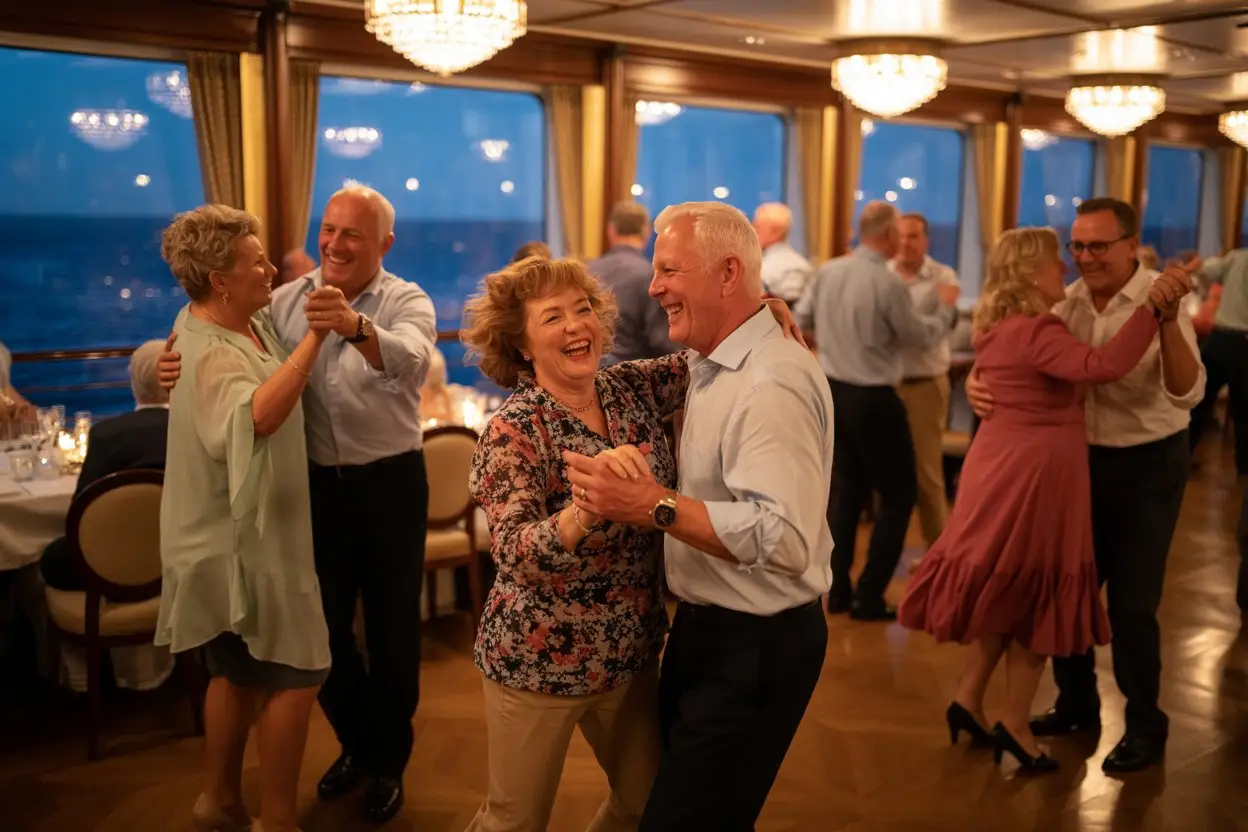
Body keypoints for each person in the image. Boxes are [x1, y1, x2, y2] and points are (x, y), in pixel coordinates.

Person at [459, 253, 802, 831]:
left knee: (644, 807)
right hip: (538, 661)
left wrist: (759, 311)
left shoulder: (630, 388)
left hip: (631, 652)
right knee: (513, 821)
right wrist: (587, 510)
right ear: (521, 346)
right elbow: (516, 555)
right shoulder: (511, 431)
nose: (576, 325)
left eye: (583, 308)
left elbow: (709, 353)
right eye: (552, 317)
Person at [159, 184, 437, 822]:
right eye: (329, 230)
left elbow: (414, 363)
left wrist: (357, 328)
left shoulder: (405, 299)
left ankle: (387, 762)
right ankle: (356, 747)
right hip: (313, 493)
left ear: (384, 246)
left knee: (395, 635)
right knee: (325, 634)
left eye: (353, 235)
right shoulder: (282, 300)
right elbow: (204, 326)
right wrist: (156, 367)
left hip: (390, 483)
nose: (335, 244)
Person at [565, 201, 832, 831]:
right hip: (708, 633)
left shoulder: (770, 383)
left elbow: (785, 538)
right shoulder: (709, 361)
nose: (653, 287)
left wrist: (650, 505)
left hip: (755, 646)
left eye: (668, 271)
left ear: (728, 272)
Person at [899, 227, 1187, 773]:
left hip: (1001, 463)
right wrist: (1152, 309)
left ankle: (968, 699)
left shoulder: (997, 327)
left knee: (1005, 588)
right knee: (1035, 593)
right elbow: (1104, 367)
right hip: (1035, 475)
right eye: (1058, 261)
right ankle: (1013, 720)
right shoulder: (1039, 329)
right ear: (1032, 272)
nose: (1067, 269)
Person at [966, 197, 1204, 774]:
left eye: (1099, 245)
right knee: (1065, 589)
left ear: (1130, 244)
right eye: (1078, 246)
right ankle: (1077, 703)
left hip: (1148, 464)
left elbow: (1187, 392)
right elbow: (1016, 355)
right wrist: (978, 381)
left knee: (1131, 605)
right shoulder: (1063, 303)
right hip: (1079, 465)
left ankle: (1146, 723)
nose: (1085, 257)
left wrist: (1166, 322)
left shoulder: (1161, 297)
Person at [154, 204, 331, 832]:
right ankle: (276, 820)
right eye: (253, 259)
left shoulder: (234, 320)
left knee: (237, 671)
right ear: (218, 281)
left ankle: (219, 799)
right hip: (238, 541)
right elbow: (254, 417)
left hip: (250, 531)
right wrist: (315, 339)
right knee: (300, 672)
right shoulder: (207, 348)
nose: (268, 264)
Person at [796, 201, 958, 620]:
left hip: (834, 392)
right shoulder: (887, 284)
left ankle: (840, 591)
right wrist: (945, 309)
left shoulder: (829, 271)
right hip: (875, 397)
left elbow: (804, 319)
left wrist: (837, 342)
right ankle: (870, 596)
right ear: (886, 236)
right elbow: (918, 337)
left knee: (845, 492)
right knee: (900, 495)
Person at [41, 339, 171, 592]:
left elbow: (81, 514)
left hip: (111, 573)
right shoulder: (200, 431)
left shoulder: (106, 435)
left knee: (48, 558)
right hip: (181, 564)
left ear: (133, 383)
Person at [890, 212, 961, 549]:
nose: (906, 242)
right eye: (900, 235)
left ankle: (939, 556)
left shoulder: (942, 276)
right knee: (884, 476)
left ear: (925, 241)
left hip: (924, 386)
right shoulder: (881, 274)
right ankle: (888, 556)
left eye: (914, 236)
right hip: (883, 386)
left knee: (927, 475)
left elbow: (928, 337)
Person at [589, 200, 680, 364]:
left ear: (611, 230)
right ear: (646, 232)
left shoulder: (586, 271)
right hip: (633, 378)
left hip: (588, 374)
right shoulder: (652, 277)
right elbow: (662, 342)